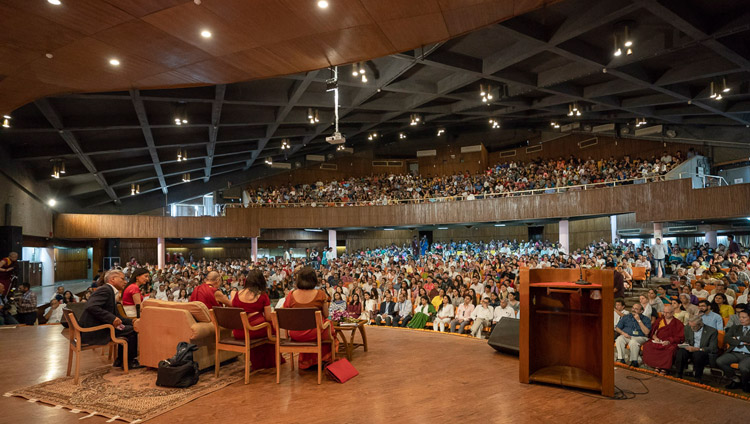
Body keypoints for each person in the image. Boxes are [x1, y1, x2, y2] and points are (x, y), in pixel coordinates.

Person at [79, 270, 141, 369]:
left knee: (130, 327)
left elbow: (117, 316)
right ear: (112, 279)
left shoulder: (109, 290)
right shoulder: (105, 290)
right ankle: (129, 362)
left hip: (100, 326)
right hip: (94, 331)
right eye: (122, 279)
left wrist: (132, 321)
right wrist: (111, 318)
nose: (125, 282)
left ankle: (120, 360)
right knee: (132, 331)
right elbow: (91, 306)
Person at [282, 267, 336, 370]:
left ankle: (308, 361)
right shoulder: (320, 294)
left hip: (296, 333)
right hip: (314, 333)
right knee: (329, 327)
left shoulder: (291, 294)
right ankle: (322, 360)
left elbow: (285, 313)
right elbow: (325, 313)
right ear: (314, 279)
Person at [230, 269, 277, 370]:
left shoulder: (237, 294)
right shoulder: (263, 295)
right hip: (253, 330)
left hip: (238, 331)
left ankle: (257, 360)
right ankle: (267, 361)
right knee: (272, 327)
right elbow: (268, 317)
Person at [642, 304, 684, 374]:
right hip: (659, 340)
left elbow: (680, 337)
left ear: (673, 313)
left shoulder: (678, 323)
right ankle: (656, 365)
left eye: (667, 312)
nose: (665, 314)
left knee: (670, 349)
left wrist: (669, 341)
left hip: (670, 342)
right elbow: (652, 332)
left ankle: (664, 368)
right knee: (647, 345)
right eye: (664, 312)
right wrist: (655, 338)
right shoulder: (659, 320)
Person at [674, 315, 718, 382]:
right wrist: (685, 345)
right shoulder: (687, 328)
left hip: (702, 352)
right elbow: (687, 340)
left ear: (700, 324)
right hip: (690, 349)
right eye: (690, 326)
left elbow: (713, 348)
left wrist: (697, 349)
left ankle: (698, 377)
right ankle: (678, 374)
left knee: (698, 354)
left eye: (694, 326)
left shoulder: (712, 331)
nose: (691, 328)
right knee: (681, 352)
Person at [716, 309, 750, 392]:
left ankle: (745, 383)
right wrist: (741, 342)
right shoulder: (735, 327)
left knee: (743, 367)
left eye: (744, 317)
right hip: (735, 352)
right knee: (720, 361)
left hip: (748, 355)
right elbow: (726, 338)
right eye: (740, 317)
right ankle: (735, 379)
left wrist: (738, 337)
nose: (741, 319)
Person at [615, 302, 652, 367]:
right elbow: (617, 328)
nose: (633, 310)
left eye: (636, 309)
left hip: (640, 337)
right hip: (627, 336)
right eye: (633, 308)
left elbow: (646, 332)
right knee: (619, 339)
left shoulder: (646, 319)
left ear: (641, 311)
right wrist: (623, 333)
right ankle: (621, 359)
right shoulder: (626, 317)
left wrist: (639, 320)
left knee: (633, 342)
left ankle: (634, 361)